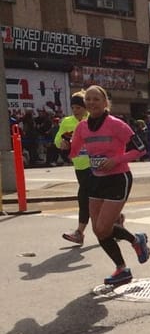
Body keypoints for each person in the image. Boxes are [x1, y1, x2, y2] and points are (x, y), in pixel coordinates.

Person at [68, 85, 150, 287]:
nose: (91, 103)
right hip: (96, 179)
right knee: (99, 230)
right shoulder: (82, 127)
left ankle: (135, 241)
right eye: (88, 99)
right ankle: (122, 268)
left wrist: (117, 160)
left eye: (96, 99)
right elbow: (73, 152)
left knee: (103, 226)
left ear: (106, 103)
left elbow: (141, 148)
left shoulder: (117, 125)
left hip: (118, 178)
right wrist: (65, 145)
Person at [55, 91, 92, 245]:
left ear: (85, 108)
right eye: (73, 107)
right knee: (96, 199)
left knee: (83, 197)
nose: (76, 110)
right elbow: (57, 139)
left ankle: (79, 232)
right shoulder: (67, 122)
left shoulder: (93, 119)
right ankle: (117, 219)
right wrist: (61, 143)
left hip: (95, 165)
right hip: (79, 165)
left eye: (79, 107)